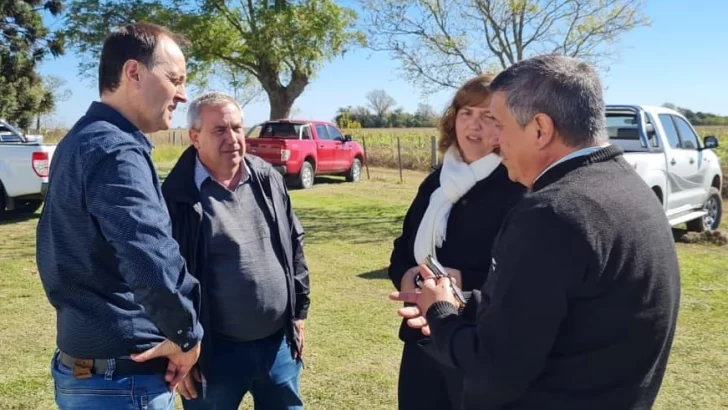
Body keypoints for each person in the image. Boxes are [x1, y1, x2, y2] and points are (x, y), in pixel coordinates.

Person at [391, 54, 681, 410]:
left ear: (540, 129)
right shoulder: (627, 187)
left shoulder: (552, 212)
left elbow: (496, 364)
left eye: (499, 123)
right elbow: (554, 312)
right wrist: (463, 301)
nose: (495, 139)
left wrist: (440, 312)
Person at [36, 23, 203, 410]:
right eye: (175, 79)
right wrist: (186, 336)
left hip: (85, 368)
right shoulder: (116, 151)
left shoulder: (79, 139)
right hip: (121, 381)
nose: (183, 93)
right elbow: (150, 259)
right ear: (133, 72)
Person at [161, 91, 311, 410]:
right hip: (213, 355)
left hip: (278, 348)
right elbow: (164, 280)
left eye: (238, 128)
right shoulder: (176, 197)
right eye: (219, 130)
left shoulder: (267, 178)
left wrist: (299, 313)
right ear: (194, 137)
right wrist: (180, 342)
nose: (233, 138)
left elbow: (294, 243)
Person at [387, 74, 526, 410]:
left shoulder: (516, 186)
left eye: (488, 116)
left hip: (476, 341)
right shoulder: (436, 181)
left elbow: (522, 276)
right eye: (466, 113)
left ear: (505, 127)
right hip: (422, 336)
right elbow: (403, 246)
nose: (473, 125)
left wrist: (462, 282)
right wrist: (405, 275)